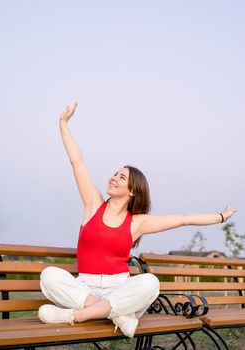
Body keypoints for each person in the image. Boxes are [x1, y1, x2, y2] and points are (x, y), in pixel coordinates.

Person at [38, 102, 236, 338]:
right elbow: (77, 161)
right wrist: (63, 124)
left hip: (120, 287)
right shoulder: (93, 204)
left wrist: (221, 217)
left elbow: (184, 219)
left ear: (132, 190)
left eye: (121, 177)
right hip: (85, 286)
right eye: (115, 173)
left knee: (150, 282)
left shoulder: (137, 223)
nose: (113, 178)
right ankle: (115, 312)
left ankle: (75, 315)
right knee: (49, 275)